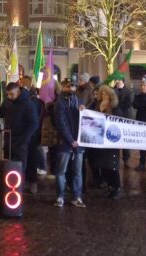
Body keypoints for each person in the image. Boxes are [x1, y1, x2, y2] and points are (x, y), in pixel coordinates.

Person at [53, 79, 85, 208]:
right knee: (61, 171)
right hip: (65, 143)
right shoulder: (59, 104)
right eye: (68, 86)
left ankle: (77, 196)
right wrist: (70, 140)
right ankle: (60, 196)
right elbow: (61, 124)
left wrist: (83, 111)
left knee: (77, 171)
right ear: (62, 87)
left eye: (73, 86)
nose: (71, 88)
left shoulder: (79, 102)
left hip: (79, 144)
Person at [92, 84, 123, 199]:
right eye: (102, 93)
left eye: (106, 93)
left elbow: (120, 122)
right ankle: (110, 187)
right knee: (103, 166)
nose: (104, 95)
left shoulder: (115, 109)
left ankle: (117, 187)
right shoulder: (96, 106)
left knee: (112, 166)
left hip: (111, 142)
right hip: (100, 141)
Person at [2, 83, 38, 180]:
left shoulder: (28, 104)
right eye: (8, 94)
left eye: (12, 94)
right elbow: (1, 112)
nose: (9, 97)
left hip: (21, 142)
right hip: (8, 140)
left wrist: (23, 140)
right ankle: (8, 189)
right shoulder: (8, 101)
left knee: (19, 168)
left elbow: (34, 124)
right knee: (8, 167)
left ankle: (18, 189)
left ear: (18, 92)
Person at [114, 78, 133, 167]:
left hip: (125, 117)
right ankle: (115, 158)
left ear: (123, 82)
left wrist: (117, 106)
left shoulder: (128, 92)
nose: (117, 83)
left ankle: (126, 159)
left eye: (119, 81)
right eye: (116, 81)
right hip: (115, 118)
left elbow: (128, 104)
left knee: (125, 139)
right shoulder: (113, 90)